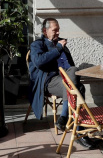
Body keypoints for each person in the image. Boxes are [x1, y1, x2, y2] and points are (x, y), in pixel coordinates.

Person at [28, 18, 94, 149]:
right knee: (77, 88)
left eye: (58, 30)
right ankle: (79, 131)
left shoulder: (61, 43)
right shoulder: (37, 44)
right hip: (48, 80)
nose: (58, 33)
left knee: (75, 82)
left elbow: (70, 66)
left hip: (64, 80)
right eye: (55, 30)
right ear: (45, 31)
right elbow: (39, 62)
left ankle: (64, 118)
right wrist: (58, 48)